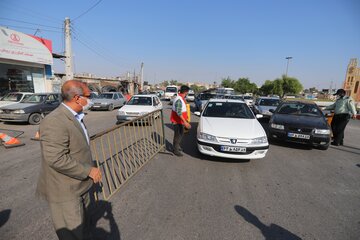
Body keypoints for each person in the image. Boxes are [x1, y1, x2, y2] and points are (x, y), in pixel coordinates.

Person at [36, 80, 102, 240]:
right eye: (89, 96)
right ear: (77, 98)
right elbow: (56, 158)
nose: (91, 99)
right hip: (65, 190)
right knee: (72, 234)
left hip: (80, 185)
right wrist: (89, 170)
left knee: (84, 230)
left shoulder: (76, 116)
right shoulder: (55, 121)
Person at [170, 85, 191, 156]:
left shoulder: (181, 98)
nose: (187, 94)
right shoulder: (179, 100)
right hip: (177, 121)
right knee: (178, 136)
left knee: (180, 134)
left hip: (180, 121)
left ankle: (177, 146)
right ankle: (175, 150)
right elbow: (179, 112)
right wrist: (185, 122)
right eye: (187, 92)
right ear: (185, 92)